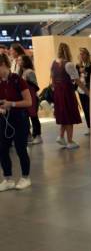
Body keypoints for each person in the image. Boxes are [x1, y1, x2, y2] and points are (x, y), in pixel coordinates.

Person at [0, 52, 32, 191]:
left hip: (20, 119)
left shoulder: (18, 80)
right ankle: (8, 178)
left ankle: (25, 177)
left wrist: (11, 104)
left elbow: (28, 102)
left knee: (20, 149)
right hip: (4, 120)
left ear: (3, 65)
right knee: (2, 149)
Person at [50, 43, 81, 149]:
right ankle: (70, 141)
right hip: (67, 92)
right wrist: (88, 92)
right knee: (69, 115)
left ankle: (61, 136)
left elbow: (52, 79)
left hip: (58, 93)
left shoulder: (53, 63)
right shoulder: (68, 64)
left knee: (64, 115)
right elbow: (77, 80)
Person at [18, 54, 42, 145]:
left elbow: (35, 85)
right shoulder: (21, 72)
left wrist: (25, 82)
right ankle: (30, 135)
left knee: (34, 117)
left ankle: (38, 135)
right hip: (25, 98)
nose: (18, 62)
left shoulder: (29, 72)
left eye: (20, 60)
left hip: (32, 97)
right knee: (27, 117)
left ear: (25, 61)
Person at [76, 47, 91, 134]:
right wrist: (79, 72)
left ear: (87, 55)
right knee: (85, 110)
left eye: (83, 54)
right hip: (80, 90)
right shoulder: (77, 66)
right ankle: (89, 127)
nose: (81, 56)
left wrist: (85, 72)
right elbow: (75, 78)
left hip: (89, 89)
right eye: (80, 54)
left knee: (90, 108)